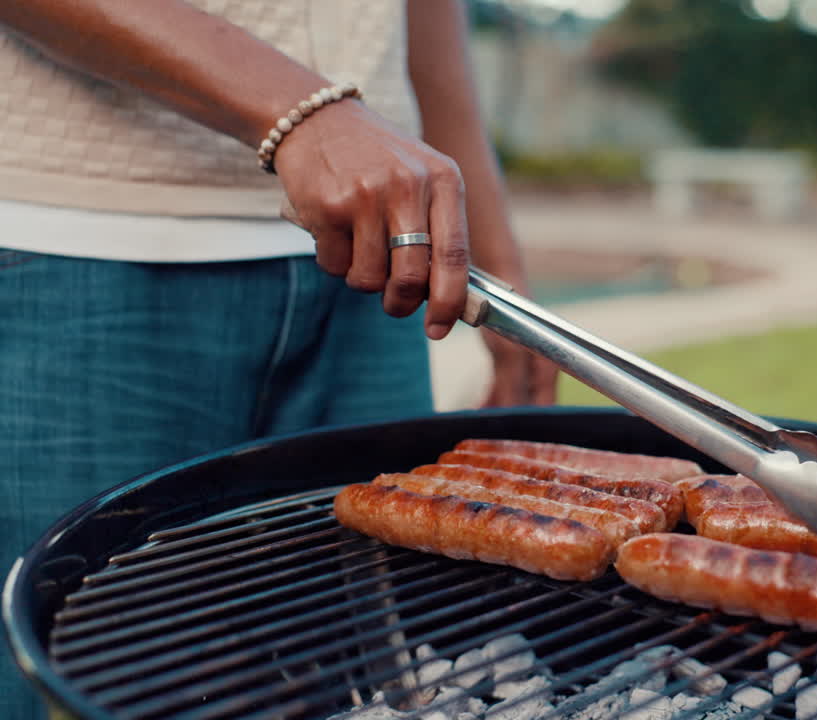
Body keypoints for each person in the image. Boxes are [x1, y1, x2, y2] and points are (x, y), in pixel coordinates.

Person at [0, 1, 557, 715]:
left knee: (377, 691)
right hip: (83, 243)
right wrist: (302, 111)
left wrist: (494, 262)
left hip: (373, 265)